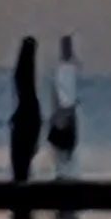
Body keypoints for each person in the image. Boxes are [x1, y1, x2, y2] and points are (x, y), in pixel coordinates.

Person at [9, 35, 43, 183]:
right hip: (27, 118)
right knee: (21, 165)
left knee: (21, 163)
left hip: (26, 120)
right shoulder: (29, 98)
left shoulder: (28, 98)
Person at [47, 34, 80, 177]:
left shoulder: (65, 68)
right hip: (65, 112)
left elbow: (58, 94)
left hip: (65, 112)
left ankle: (63, 172)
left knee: (63, 150)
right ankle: (64, 172)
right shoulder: (65, 68)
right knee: (65, 150)